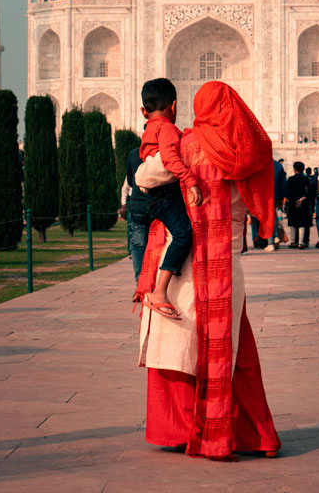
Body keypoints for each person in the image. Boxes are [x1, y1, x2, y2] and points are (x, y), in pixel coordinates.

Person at [136, 81, 281, 460]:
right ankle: (256, 436)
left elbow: (145, 178)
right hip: (227, 265)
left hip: (186, 262)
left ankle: (184, 430)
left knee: (179, 349)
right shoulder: (246, 152)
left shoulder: (189, 145)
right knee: (235, 353)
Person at [135, 78, 203, 319]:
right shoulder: (165, 128)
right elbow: (169, 158)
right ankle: (160, 291)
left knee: (180, 232)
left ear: (144, 111)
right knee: (184, 234)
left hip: (154, 196)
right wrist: (190, 180)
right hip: (163, 194)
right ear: (174, 106)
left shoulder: (150, 127)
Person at [120, 144, 153, 281]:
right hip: (158, 203)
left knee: (139, 244)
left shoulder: (134, 153)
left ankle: (140, 282)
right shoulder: (161, 151)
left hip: (138, 203)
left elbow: (130, 181)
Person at [286, 161, 312, 249]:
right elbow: (310, 192)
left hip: (293, 203)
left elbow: (287, 192)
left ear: (294, 169)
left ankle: (293, 242)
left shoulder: (290, 179)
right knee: (302, 223)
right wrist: (302, 199)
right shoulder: (306, 179)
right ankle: (301, 242)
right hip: (303, 203)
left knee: (293, 223)